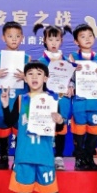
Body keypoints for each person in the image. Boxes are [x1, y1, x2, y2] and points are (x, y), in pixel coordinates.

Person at [3, 61, 69, 193]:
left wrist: (60, 121)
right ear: (24, 78)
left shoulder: (52, 100)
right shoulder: (21, 100)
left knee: (51, 190)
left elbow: (59, 128)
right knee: (24, 191)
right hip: (24, 155)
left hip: (44, 155)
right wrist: (5, 105)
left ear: (46, 78)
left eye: (39, 73)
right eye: (30, 74)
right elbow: (9, 122)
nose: (34, 77)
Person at [0, 21, 29, 171]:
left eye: (17, 36)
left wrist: (26, 77)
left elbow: (34, 80)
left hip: (20, 98)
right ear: (3, 38)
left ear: (22, 38)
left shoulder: (27, 58)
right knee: (3, 125)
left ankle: (18, 157)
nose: (14, 39)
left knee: (20, 127)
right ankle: (3, 157)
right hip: (3, 97)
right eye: (10, 36)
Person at [33, 24, 71, 171]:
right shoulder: (39, 62)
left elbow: (72, 79)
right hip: (46, 99)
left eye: (57, 39)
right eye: (50, 39)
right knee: (45, 125)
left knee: (61, 126)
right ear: (44, 40)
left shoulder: (68, 61)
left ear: (61, 41)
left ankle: (59, 156)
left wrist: (71, 86)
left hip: (62, 99)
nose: (54, 43)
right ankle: (44, 155)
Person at [68, 23, 97, 172]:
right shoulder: (73, 57)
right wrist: (72, 71)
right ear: (76, 41)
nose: (87, 39)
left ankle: (89, 157)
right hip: (80, 101)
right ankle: (79, 158)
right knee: (79, 130)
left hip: (94, 101)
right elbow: (68, 78)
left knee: (95, 131)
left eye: (90, 36)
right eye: (83, 37)